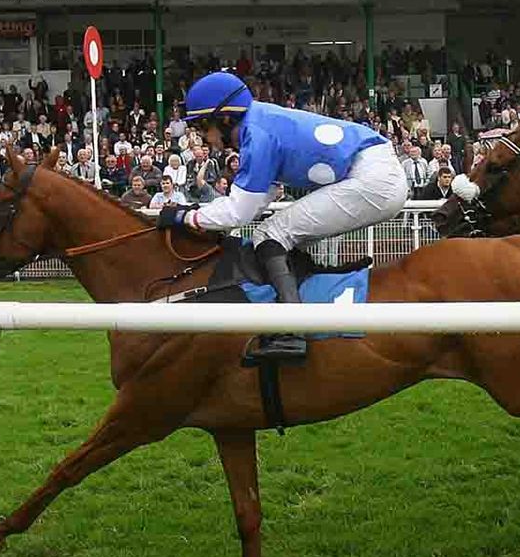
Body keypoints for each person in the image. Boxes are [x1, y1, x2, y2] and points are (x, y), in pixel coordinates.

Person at [160, 71, 408, 360]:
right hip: (374, 170)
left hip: (373, 178)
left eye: (203, 127)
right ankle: (307, 289)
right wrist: (197, 214)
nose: (203, 137)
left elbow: (239, 212)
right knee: (275, 232)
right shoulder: (259, 124)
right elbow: (257, 199)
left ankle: (292, 331)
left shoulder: (257, 134)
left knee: (270, 234)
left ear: (224, 119)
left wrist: (186, 217)